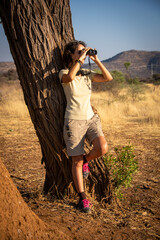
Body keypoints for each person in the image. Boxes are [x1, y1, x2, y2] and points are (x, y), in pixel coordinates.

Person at [59, 40, 113, 213]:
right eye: (80, 51)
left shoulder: (87, 73)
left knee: (102, 148)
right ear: (71, 55)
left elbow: (108, 78)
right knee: (75, 160)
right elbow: (69, 78)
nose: (84, 53)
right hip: (74, 121)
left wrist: (96, 60)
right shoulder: (64, 72)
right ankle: (83, 198)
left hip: (91, 119)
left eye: (84, 51)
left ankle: (86, 161)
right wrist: (80, 60)